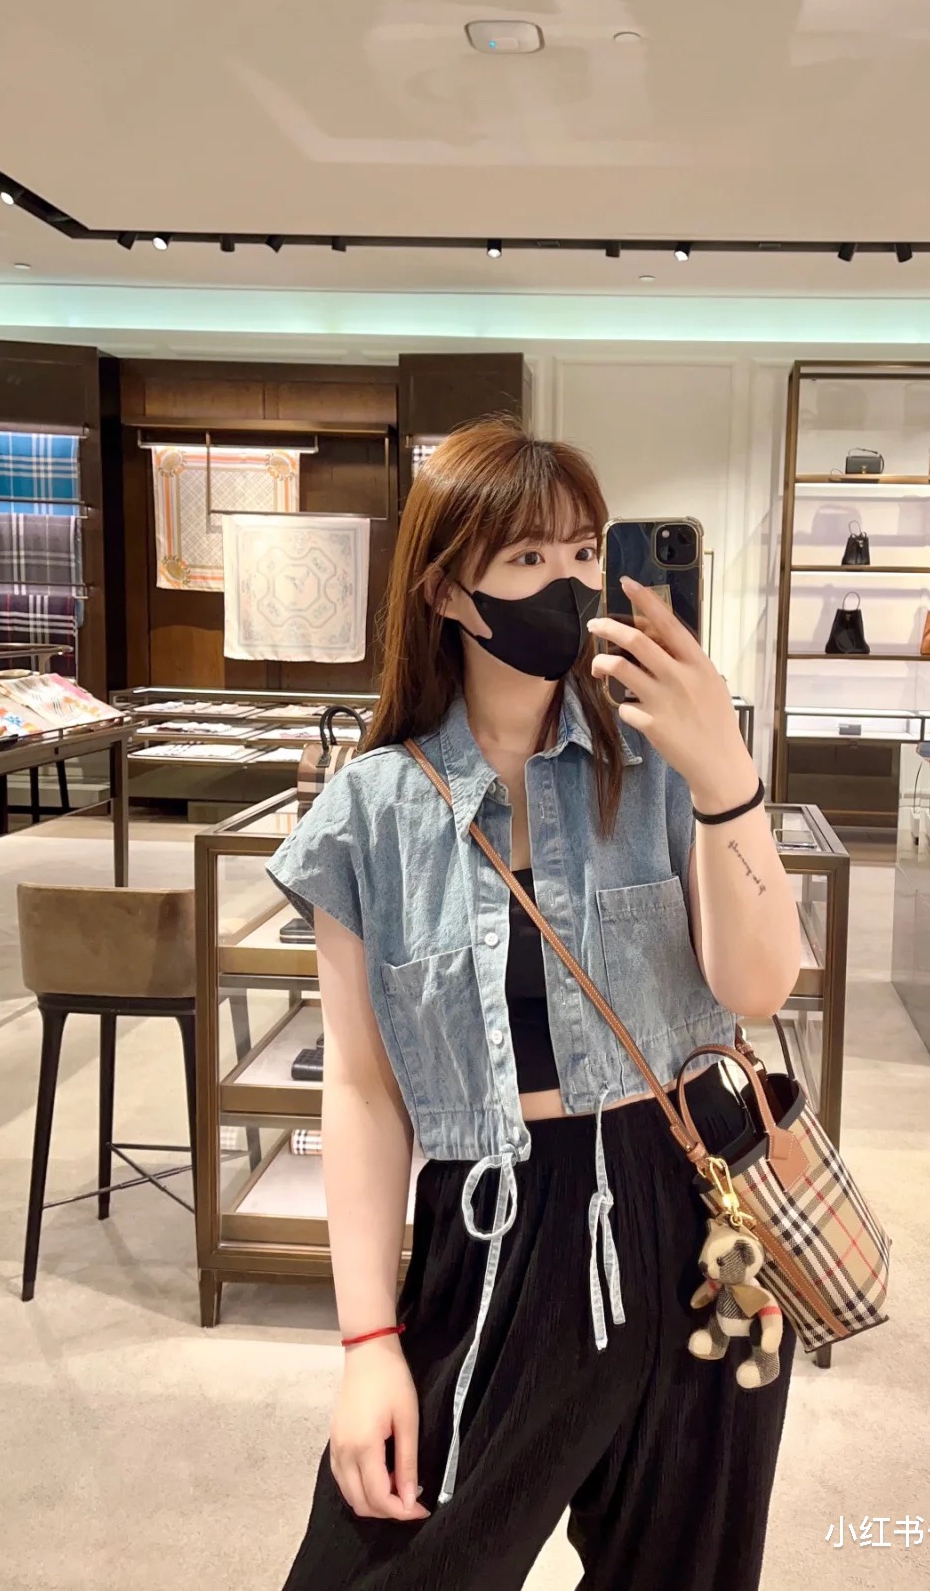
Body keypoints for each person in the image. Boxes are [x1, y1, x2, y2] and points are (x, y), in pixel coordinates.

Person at [267, 417, 803, 1591]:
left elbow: (760, 986)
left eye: (583, 551)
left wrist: (725, 776)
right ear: (444, 591)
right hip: (495, 1229)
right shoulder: (369, 815)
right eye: (525, 557)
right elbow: (360, 1090)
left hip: (697, 1219)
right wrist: (367, 1343)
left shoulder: (665, 767)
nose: (567, 582)